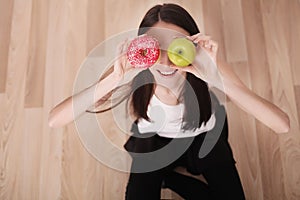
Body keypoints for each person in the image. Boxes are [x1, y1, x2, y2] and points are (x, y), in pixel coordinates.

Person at [48, 3, 290, 200]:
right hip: (154, 138)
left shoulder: (206, 65)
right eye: (156, 47)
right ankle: (165, 175)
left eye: (177, 47)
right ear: (142, 48)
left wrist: (214, 76)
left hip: (204, 134)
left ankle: (169, 177)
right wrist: (115, 78)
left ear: (192, 46)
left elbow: (282, 125)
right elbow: (55, 120)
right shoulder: (132, 68)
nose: (165, 62)